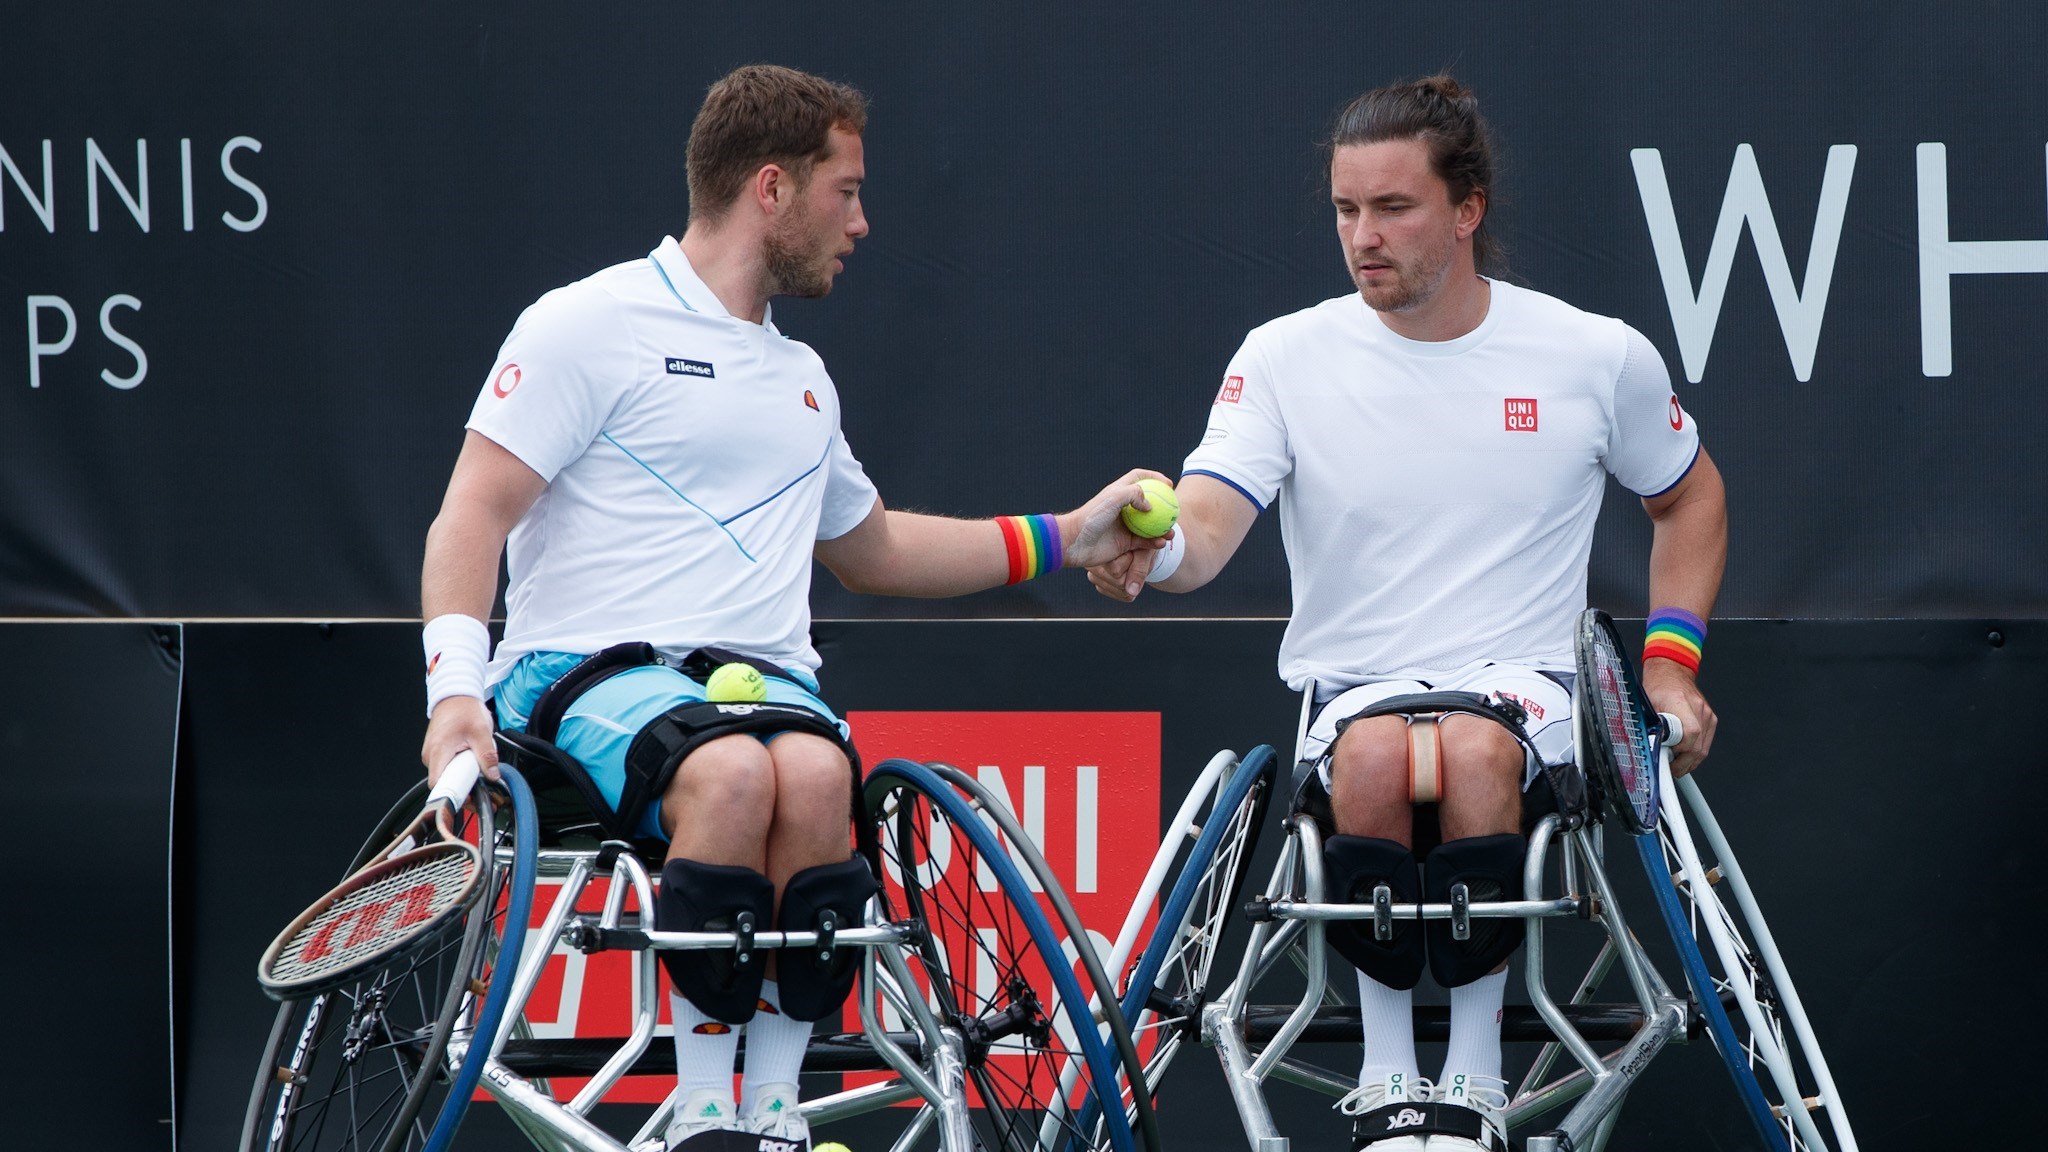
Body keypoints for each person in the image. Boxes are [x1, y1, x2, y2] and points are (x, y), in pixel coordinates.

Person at [417, 64, 1164, 1152]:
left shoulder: (802, 376)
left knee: (815, 773)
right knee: (731, 771)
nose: (861, 222)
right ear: (771, 188)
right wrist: (452, 696)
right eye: (845, 191)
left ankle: (768, 1115)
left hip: (765, 687)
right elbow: (470, 514)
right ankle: (704, 1117)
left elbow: (873, 551)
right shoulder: (584, 324)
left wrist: (1067, 536)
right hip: (582, 676)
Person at [1088, 75, 1727, 1151]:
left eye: (1392, 209)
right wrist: (1155, 555)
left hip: (1523, 691)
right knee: (1380, 759)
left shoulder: (1590, 354)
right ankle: (1391, 1085)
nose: (1362, 237)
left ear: (1465, 208)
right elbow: (1206, 519)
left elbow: (1687, 493)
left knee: (1470, 753)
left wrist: (1669, 666)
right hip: (1356, 694)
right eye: (1344, 211)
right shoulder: (1283, 356)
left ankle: (1468, 1083)